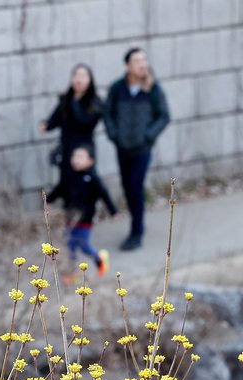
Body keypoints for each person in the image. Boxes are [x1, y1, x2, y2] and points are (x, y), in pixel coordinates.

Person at [102, 47, 169, 251]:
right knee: (127, 187)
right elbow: (108, 114)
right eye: (137, 61)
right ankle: (136, 225)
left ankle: (137, 231)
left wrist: (148, 136)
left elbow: (164, 116)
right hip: (122, 148)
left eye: (144, 60)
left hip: (142, 149)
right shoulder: (117, 88)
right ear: (128, 66)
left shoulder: (153, 88)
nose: (142, 64)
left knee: (135, 186)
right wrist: (115, 135)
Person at [47, 146, 118, 278]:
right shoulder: (69, 176)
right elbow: (59, 189)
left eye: (80, 157)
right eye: (74, 156)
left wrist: (113, 212)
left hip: (86, 219)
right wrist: (48, 200)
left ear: (90, 161)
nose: (76, 160)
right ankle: (72, 272)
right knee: (70, 245)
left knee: (84, 245)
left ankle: (99, 258)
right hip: (70, 217)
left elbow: (104, 194)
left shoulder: (92, 178)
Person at [40, 64, 102, 188]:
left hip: (83, 149)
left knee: (84, 184)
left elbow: (84, 121)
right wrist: (47, 125)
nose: (79, 79)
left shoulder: (95, 102)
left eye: (83, 76)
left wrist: (74, 102)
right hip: (66, 147)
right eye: (76, 76)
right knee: (66, 182)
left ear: (90, 80)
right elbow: (56, 117)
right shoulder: (67, 99)